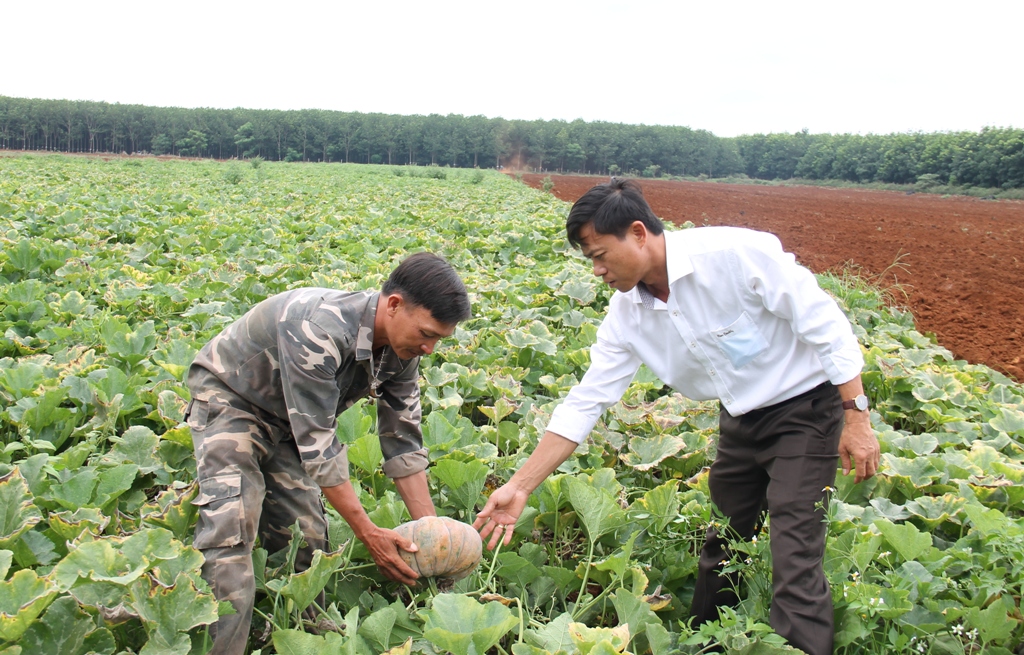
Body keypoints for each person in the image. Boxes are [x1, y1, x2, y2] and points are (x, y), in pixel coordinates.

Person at [473, 179, 879, 655]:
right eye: (591, 261)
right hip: (741, 420)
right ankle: (705, 645)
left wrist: (857, 416)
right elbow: (585, 402)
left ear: (639, 232)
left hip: (806, 409)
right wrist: (520, 486)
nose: (599, 270)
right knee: (722, 546)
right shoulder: (627, 314)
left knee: (794, 553)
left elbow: (824, 324)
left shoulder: (734, 255)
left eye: (601, 255)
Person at [185, 252, 471, 655]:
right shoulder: (319, 329)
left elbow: (403, 440)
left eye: (440, 339)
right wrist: (367, 532)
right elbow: (319, 446)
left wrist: (433, 534)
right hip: (232, 402)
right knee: (231, 530)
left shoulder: (403, 349)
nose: (430, 347)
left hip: (288, 422)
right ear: (393, 305)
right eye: (428, 333)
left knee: (308, 538)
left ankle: (305, 641)